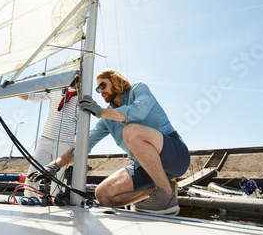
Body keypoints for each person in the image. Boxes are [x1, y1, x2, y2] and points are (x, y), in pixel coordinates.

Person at [29, 69, 190, 215]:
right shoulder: (107, 120)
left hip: (175, 156)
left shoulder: (139, 89)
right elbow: (85, 145)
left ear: (115, 80)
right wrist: (56, 165)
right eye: (97, 89)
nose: (100, 91)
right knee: (103, 195)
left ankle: (165, 195)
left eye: (103, 85)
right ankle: (162, 189)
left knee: (131, 131)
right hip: (144, 167)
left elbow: (139, 112)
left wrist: (101, 112)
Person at [19, 79, 79, 197]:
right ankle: (29, 199)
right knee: (33, 173)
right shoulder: (56, 90)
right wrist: (14, 89)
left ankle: (56, 201)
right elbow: (32, 97)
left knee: (59, 180)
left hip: (66, 142)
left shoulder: (82, 97)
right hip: (46, 138)